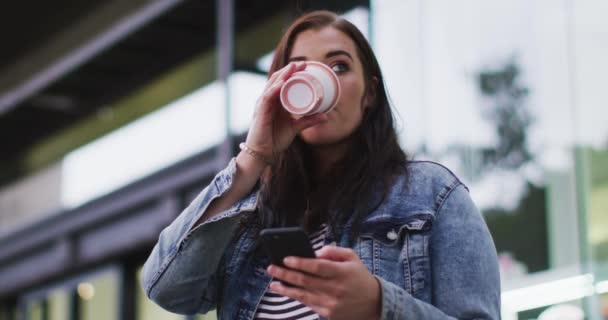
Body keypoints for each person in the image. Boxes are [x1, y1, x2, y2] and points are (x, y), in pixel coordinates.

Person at [141, 10, 500, 320]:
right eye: (299, 69)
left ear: (369, 94)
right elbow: (165, 287)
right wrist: (253, 157)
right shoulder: (252, 220)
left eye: (339, 66)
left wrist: (379, 306)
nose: (318, 80)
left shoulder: (430, 194)